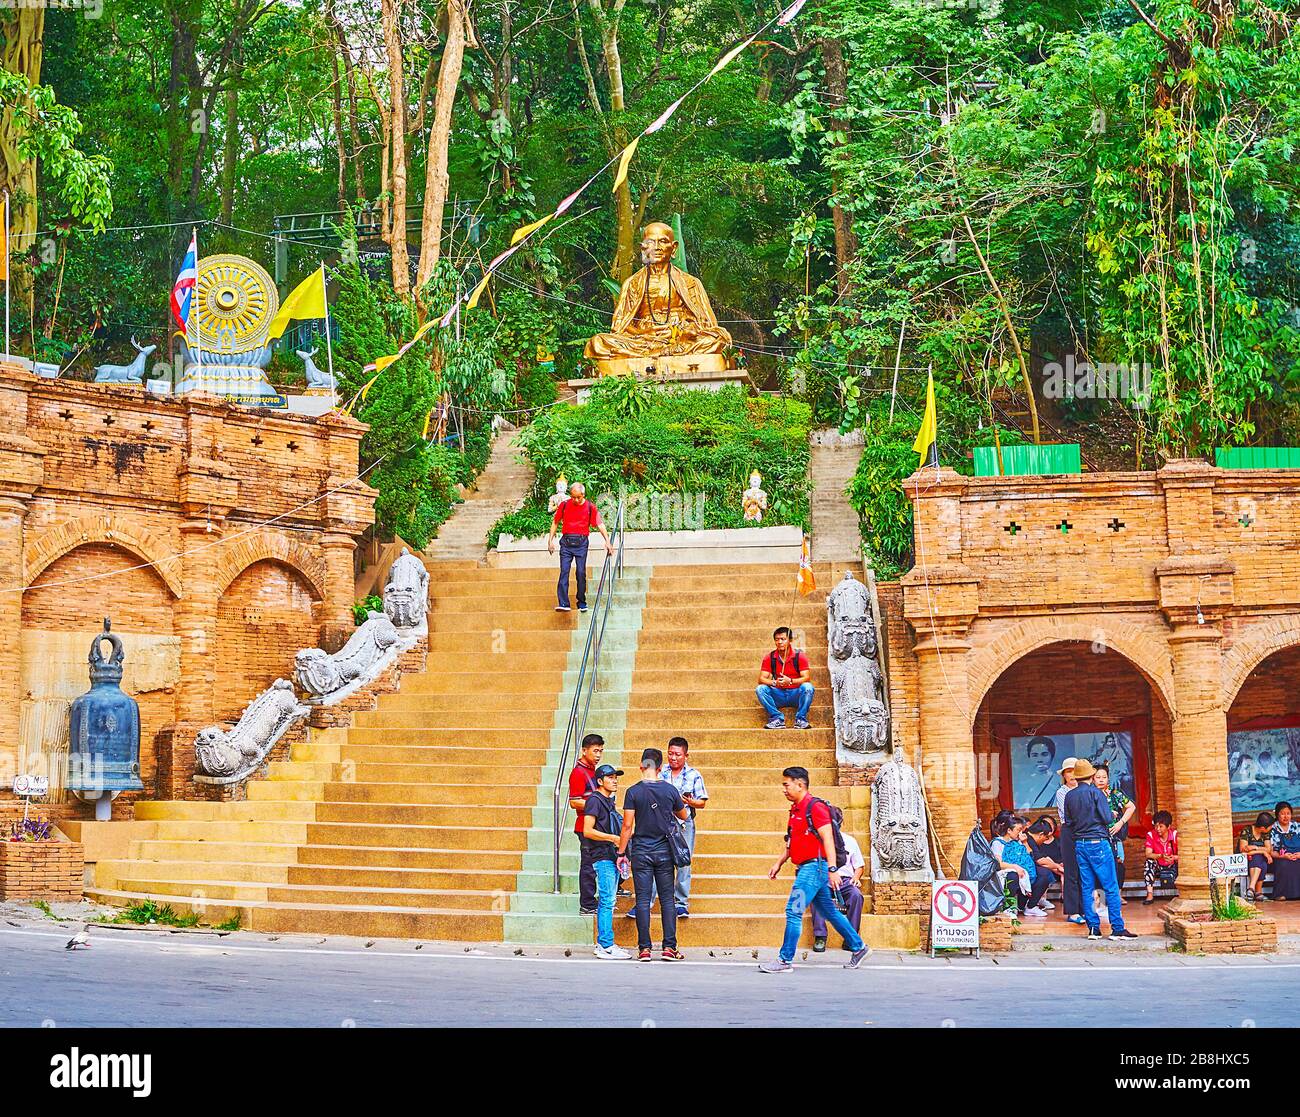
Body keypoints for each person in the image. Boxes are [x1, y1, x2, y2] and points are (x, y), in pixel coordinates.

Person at [758, 767, 871, 973]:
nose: (784, 789)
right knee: (829, 911)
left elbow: (827, 838)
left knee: (794, 910)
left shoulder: (815, 807)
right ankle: (859, 947)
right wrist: (779, 863)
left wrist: (833, 868)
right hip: (806, 867)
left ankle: (784, 960)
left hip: (814, 868)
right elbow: (792, 843)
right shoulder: (795, 810)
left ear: (800, 784)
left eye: (786, 784)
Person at [616, 749, 689, 961]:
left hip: (641, 851)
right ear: (660, 768)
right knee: (667, 900)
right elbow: (683, 814)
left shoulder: (633, 792)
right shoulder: (670, 790)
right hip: (665, 851)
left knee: (643, 899)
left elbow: (627, 826)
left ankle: (644, 949)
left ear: (641, 766)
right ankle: (669, 948)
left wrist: (621, 852)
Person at [1062, 758, 1136, 939]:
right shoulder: (1097, 793)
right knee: (1110, 885)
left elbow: (1069, 822)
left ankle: (1094, 928)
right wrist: (1111, 814)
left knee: (1087, 887)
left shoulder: (1069, 796)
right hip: (1098, 842)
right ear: (1091, 776)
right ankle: (1117, 928)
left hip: (1080, 844)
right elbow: (1106, 818)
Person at [655, 737, 708, 918]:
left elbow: (702, 802)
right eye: (670, 753)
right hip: (661, 822)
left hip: (684, 823)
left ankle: (681, 902)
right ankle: (651, 900)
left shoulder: (694, 774)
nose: (673, 758)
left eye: (677, 754)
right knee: (657, 859)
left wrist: (692, 802)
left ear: (686, 755)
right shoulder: (660, 773)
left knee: (684, 861)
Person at [583, 763, 631, 959]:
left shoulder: (608, 801)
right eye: (610, 777)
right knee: (607, 900)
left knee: (609, 900)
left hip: (610, 855)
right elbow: (587, 830)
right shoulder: (595, 800)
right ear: (600, 781)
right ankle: (605, 945)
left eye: (616, 777)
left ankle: (606, 943)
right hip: (601, 856)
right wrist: (612, 838)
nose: (615, 780)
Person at [546, 482, 614, 613]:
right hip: (566, 543)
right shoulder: (564, 505)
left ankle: (581, 602)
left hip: (581, 543)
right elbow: (555, 522)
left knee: (581, 572)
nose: (576, 500)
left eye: (578, 497)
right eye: (573, 497)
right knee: (564, 571)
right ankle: (564, 603)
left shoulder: (590, 507)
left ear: (583, 494)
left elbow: (600, 524)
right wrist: (550, 540)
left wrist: (607, 541)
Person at [812, 805, 866, 949]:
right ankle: (820, 937)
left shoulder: (850, 841)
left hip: (845, 881)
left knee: (856, 895)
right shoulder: (818, 840)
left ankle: (851, 938)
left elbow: (859, 865)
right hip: (825, 879)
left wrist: (856, 877)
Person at [567, 733, 604, 915]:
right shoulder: (578, 772)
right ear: (584, 750)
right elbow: (574, 801)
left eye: (601, 751)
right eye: (595, 751)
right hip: (584, 825)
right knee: (588, 866)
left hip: (596, 824)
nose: (598, 755)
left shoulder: (593, 770)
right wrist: (598, 804)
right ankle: (588, 904)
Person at [990, 811, 1047, 918]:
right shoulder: (997, 843)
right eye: (1018, 830)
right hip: (1006, 873)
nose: (1021, 833)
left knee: (1044, 875)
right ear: (1009, 830)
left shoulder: (1018, 841)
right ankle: (1009, 907)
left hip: (1023, 871)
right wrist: (1016, 867)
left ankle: (1030, 907)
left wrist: (1025, 843)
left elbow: (1029, 857)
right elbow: (999, 864)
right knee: (1013, 875)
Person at [756, 626, 814, 730]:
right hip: (778, 694)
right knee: (760, 689)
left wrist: (790, 681)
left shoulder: (799, 656)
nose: (780, 642)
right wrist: (775, 683)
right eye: (777, 639)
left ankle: (800, 719)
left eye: (783, 639)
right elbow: (761, 679)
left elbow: (806, 678)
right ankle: (776, 718)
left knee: (808, 687)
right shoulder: (769, 657)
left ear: (790, 640)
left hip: (796, 694)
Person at [1094, 762, 1135, 892]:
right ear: (1092, 778)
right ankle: (1099, 903)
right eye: (1097, 777)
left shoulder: (1114, 793)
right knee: (1097, 870)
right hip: (1094, 837)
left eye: (1104, 777)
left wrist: (1120, 822)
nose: (1101, 780)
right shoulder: (1090, 793)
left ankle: (1110, 902)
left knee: (1111, 869)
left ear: (1108, 778)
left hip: (1111, 837)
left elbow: (1131, 807)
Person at [1054, 756, 1085, 924]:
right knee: (1071, 872)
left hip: (1085, 831)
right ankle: (1073, 911)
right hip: (1070, 831)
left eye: (1074, 771)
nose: (1072, 775)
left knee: (1086, 871)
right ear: (1064, 775)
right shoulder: (1062, 792)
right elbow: (1068, 815)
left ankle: (1087, 908)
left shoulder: (1086, 788)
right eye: (1068, 772)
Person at [1026, 818, 1063, 911]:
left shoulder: (1031, 839)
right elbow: (1040, 860)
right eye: (1046, 837)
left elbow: (1043, 857)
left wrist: (1057, 866)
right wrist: (1058, 867)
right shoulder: (1028, 840)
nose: (1045, 840)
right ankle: (1031, 906)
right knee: (1045, 874)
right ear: (1041, 834)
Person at [1142, 809, 1179, 904]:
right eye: (1156, 826)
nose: (1158, 829)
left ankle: (1182, 892)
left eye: (1161, 826)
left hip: (1173, 865)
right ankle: (1150, 894)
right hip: (1159, 865)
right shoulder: (1151, 835)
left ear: (1168, 826)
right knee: (1149, 862)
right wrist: (1160, 856)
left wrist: (1174, 857)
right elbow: (1148, 853)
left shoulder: (1175, 835)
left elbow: (1184, 855)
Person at [1267, 801, 1300, 901]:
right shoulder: (1272, 829)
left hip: (1298, 855)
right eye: (1282, 813)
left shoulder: (1297, 827)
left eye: (1288, 813)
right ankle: (1280, 894)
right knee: (1284, 864)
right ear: (1277, 815)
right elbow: (1270, 850)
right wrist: (1283, 856)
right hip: (1280, 857)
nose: (1286, 816)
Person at [1240, 812, 1275, 901]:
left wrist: (1254, 848)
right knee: (1259, 859)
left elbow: (1269, 850)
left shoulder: (1266, 833)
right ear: (1263, 828)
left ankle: (1251, 889)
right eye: (1270, 826)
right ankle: (1258, 892)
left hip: (1260, 861)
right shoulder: (1247, 830)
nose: (1271, 828)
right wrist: (1262, 852)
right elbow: (1243, 851)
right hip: (1246, 861)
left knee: (1260, 859)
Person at [1024, 736, 1058, 807]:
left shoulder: (1058, 780)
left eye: (1044, 754)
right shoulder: (1023, 781)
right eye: (1035, 755)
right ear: (1029, 756)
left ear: (1052, 755)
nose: (1039, 759)